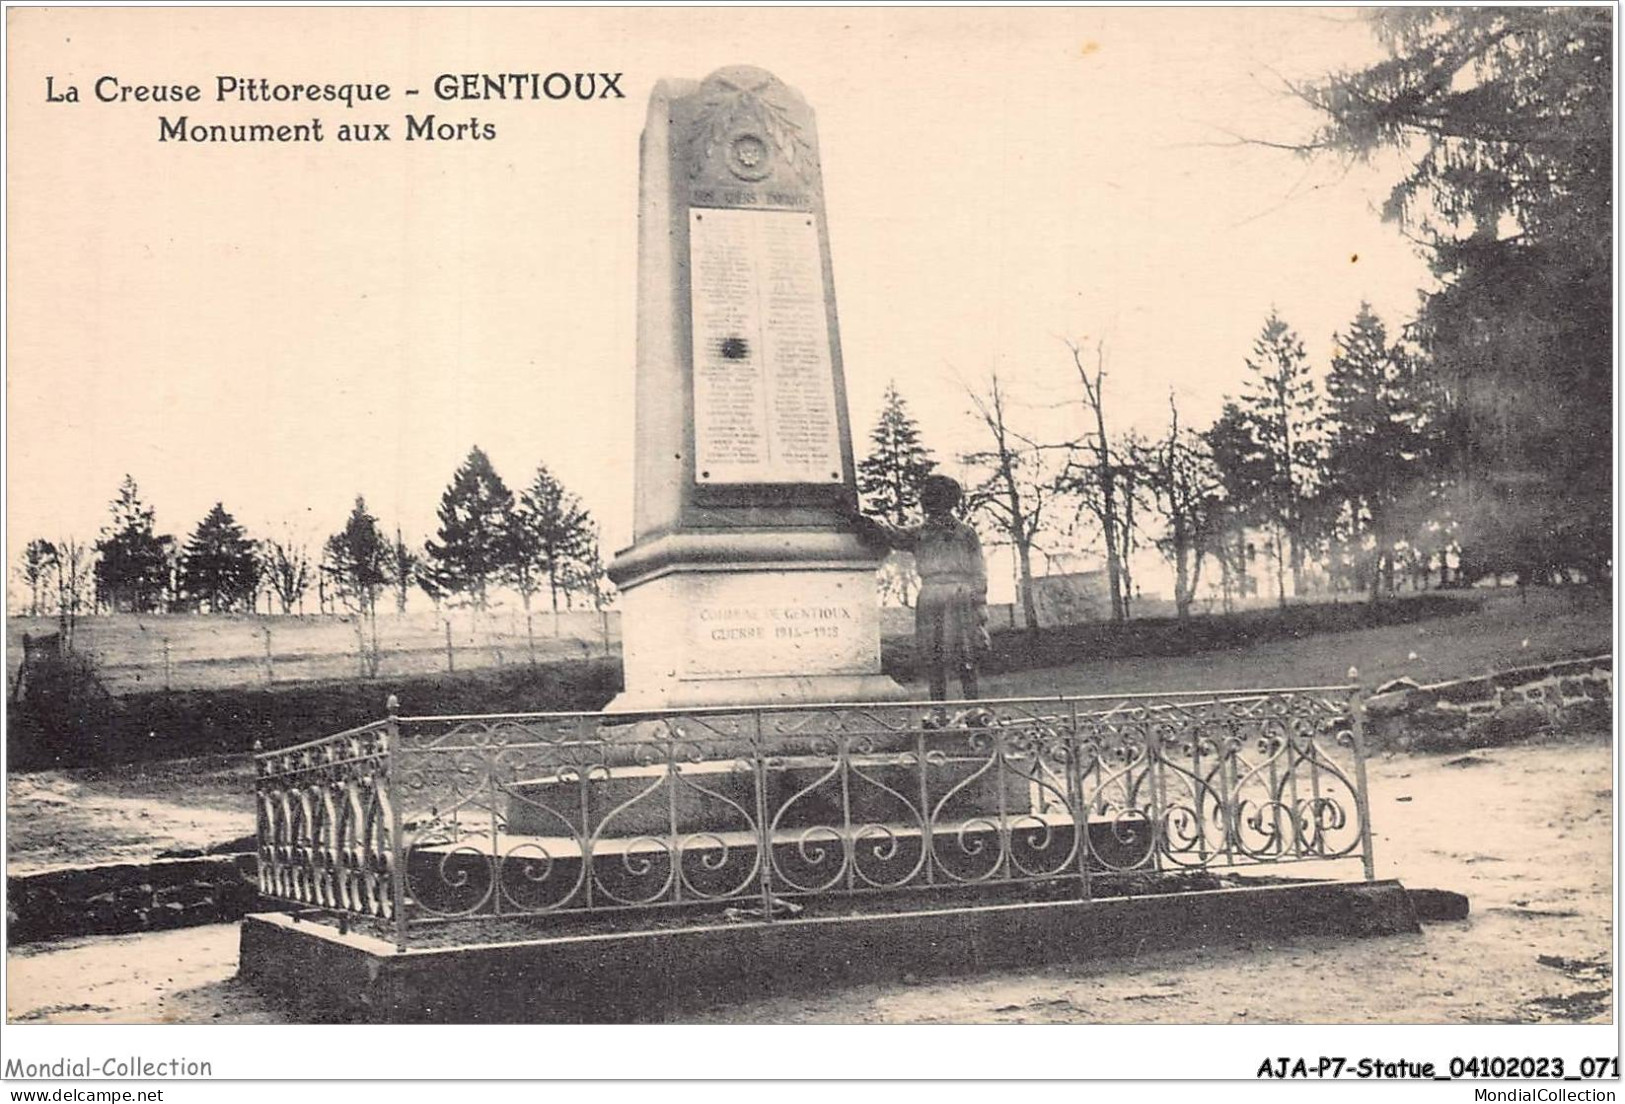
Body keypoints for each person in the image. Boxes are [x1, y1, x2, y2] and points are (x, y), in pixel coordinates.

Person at [847, 475, 989, 701]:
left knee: (966, 656)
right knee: (935, 660)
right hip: (931, 596)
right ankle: (939, 713)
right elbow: (892, 534)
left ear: (939, 499)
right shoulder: (920, 532)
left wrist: (980, 606)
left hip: (961, 596)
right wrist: (864, 521)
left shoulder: (966, 533)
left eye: (927, 494)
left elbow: (978, 569)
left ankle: (975, 710)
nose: (921, 498)